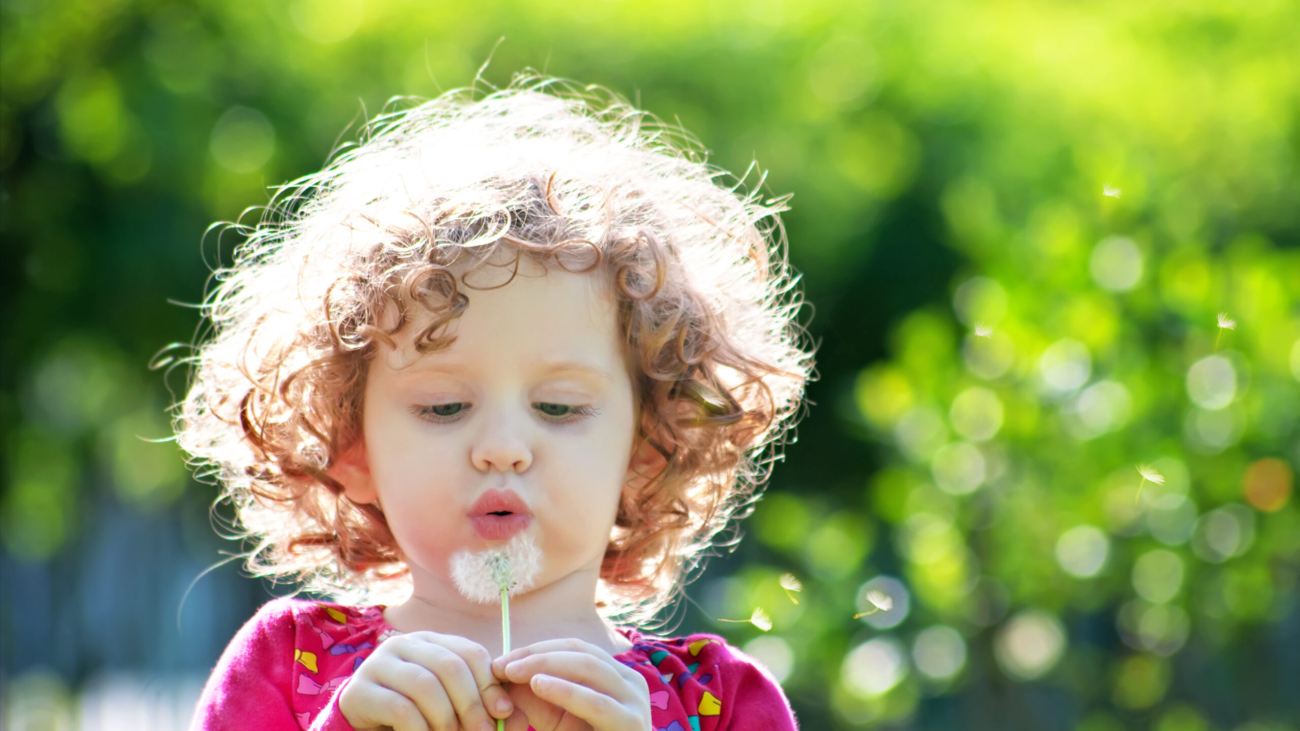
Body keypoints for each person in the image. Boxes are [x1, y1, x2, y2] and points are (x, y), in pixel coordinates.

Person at [178, 74, 814, 731]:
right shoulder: (288, 665)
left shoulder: (723, 701)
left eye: (562, 407)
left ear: (650, 448)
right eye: (445, 406)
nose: (503, 446)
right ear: (351, 447)